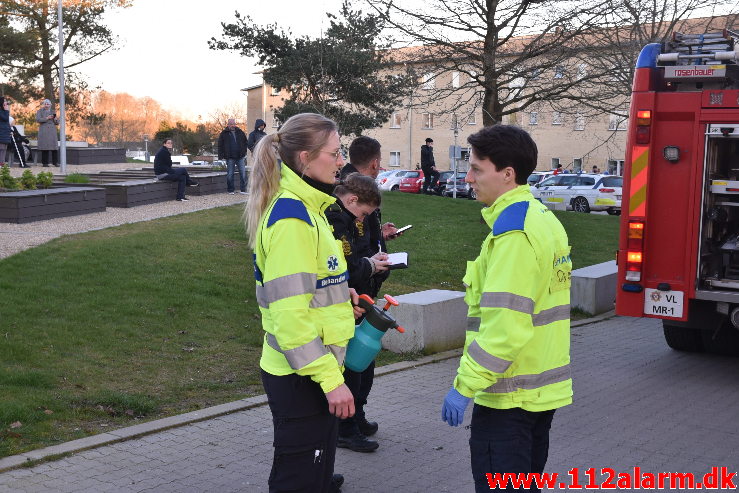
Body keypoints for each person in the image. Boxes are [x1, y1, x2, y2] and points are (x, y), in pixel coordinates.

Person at [441, 125, 572, 493]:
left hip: (508, 397)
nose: (468, 178)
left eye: (477, 169)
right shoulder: (542, 218)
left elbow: (504, 328)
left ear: (507, 174)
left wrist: (465, 387)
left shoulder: (513, 233)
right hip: (536, 393)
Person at [246, 112, 362, 493]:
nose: (342, 160)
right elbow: (289, 318)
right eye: (335, 152)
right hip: (303, 374)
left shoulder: (310, 209)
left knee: (315, 476)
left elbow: (309, 288)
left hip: (312, 368)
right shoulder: (293, 220)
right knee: (298, 480)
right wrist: (332, 383)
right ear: (305, 159)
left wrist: (341, 298)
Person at [326, 168, 393, 453]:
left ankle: (356, 417)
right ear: (352, 199)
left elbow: (356, 253)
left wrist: (372, 260)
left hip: (359, 298)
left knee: (363, 366)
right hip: (344, 304)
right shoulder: (335, 218)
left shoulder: (347, 216)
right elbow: (342, 266)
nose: (363, 220)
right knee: (351, 369)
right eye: (364, 214)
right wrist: (369, 266)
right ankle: (345, 428)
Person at [217, 118, 248, 195]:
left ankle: (243, 190)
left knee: (243, 173)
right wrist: (221, 156)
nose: (232, 125)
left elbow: (245, 142)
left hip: (240, 157)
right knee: (230, 174)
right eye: (231, 124)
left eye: (233, 124)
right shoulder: (223, 134)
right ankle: (231, 190)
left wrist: (244, 152)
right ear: (228, 125)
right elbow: (220, 145)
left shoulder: (240, 132)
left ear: (235, 124)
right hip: (230, 157)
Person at [35, 99, 59, 167]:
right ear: (43, 104)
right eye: (45, 104)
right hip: (44, 131)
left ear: (50, 105)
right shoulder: (39, 111)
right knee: (45, 147)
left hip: (52, 131)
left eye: (48, 104)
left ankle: (55, 162)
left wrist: (55, 119)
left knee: (54, 147)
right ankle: (45, 163)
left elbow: (57, 122)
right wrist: (47, 118)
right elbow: (38, 119)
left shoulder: (53, 111)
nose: (46, 105)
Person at [0, 97, 11, 164]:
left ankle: (2, 163)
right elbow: (5, 119)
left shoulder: (3, 111)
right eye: (4, 101)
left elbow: (7, 122)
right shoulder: (1, 111)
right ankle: (1, 163)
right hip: (1, 132)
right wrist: (7, 110)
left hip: (5, 133)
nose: (6, 102)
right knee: (1, 148)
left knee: (4, 148)